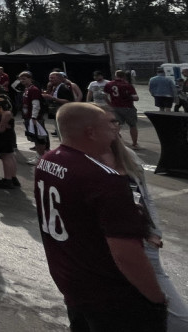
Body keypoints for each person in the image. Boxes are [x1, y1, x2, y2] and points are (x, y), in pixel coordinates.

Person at [35, 103, 168, 331]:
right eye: (110, 124)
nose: (116, 129)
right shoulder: (104, 179)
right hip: (112, 295)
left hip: (72, 282)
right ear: (91, 132)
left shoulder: (47, 161)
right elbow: (126, 254)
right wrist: (156, 298)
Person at [108, 136, 188, 331]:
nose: (114, 127)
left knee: (179, 319)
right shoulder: (84, 164)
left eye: (115, 122)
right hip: (116, 249)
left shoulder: (129, 156)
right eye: (108, 122)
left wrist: (154, 231)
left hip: (145, 245)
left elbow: (146, 197)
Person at [0, 83, 20, 189]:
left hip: (2, 132)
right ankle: (13, 177)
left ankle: (7, 179)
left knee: (5, 156)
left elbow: (6, 113)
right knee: (10, 155)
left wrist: (1, 126)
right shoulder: (6, 97)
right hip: (9, 131)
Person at [106, 70, 140, 149]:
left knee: (116, 125)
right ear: (124, 76)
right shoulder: (127, 85)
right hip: (128, 107)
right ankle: (134, 143)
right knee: (132, 125)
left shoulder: (109, 84)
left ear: (115, 75)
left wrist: (110, 104)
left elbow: (105, 96)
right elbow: (136, 98)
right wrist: (129, 97)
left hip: (115, 107)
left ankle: (116, 143)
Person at [20, 71, 50, 159]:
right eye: (21, 79)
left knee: (39, 138)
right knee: (34, 138)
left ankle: (41, 157)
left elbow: (36, 104)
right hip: (27, 117)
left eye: (24, 79)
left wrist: (34, 117)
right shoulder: (26, 89)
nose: (22, 81)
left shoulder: (34, 89)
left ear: (30, 79)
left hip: (34, 118)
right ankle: (38, 156)